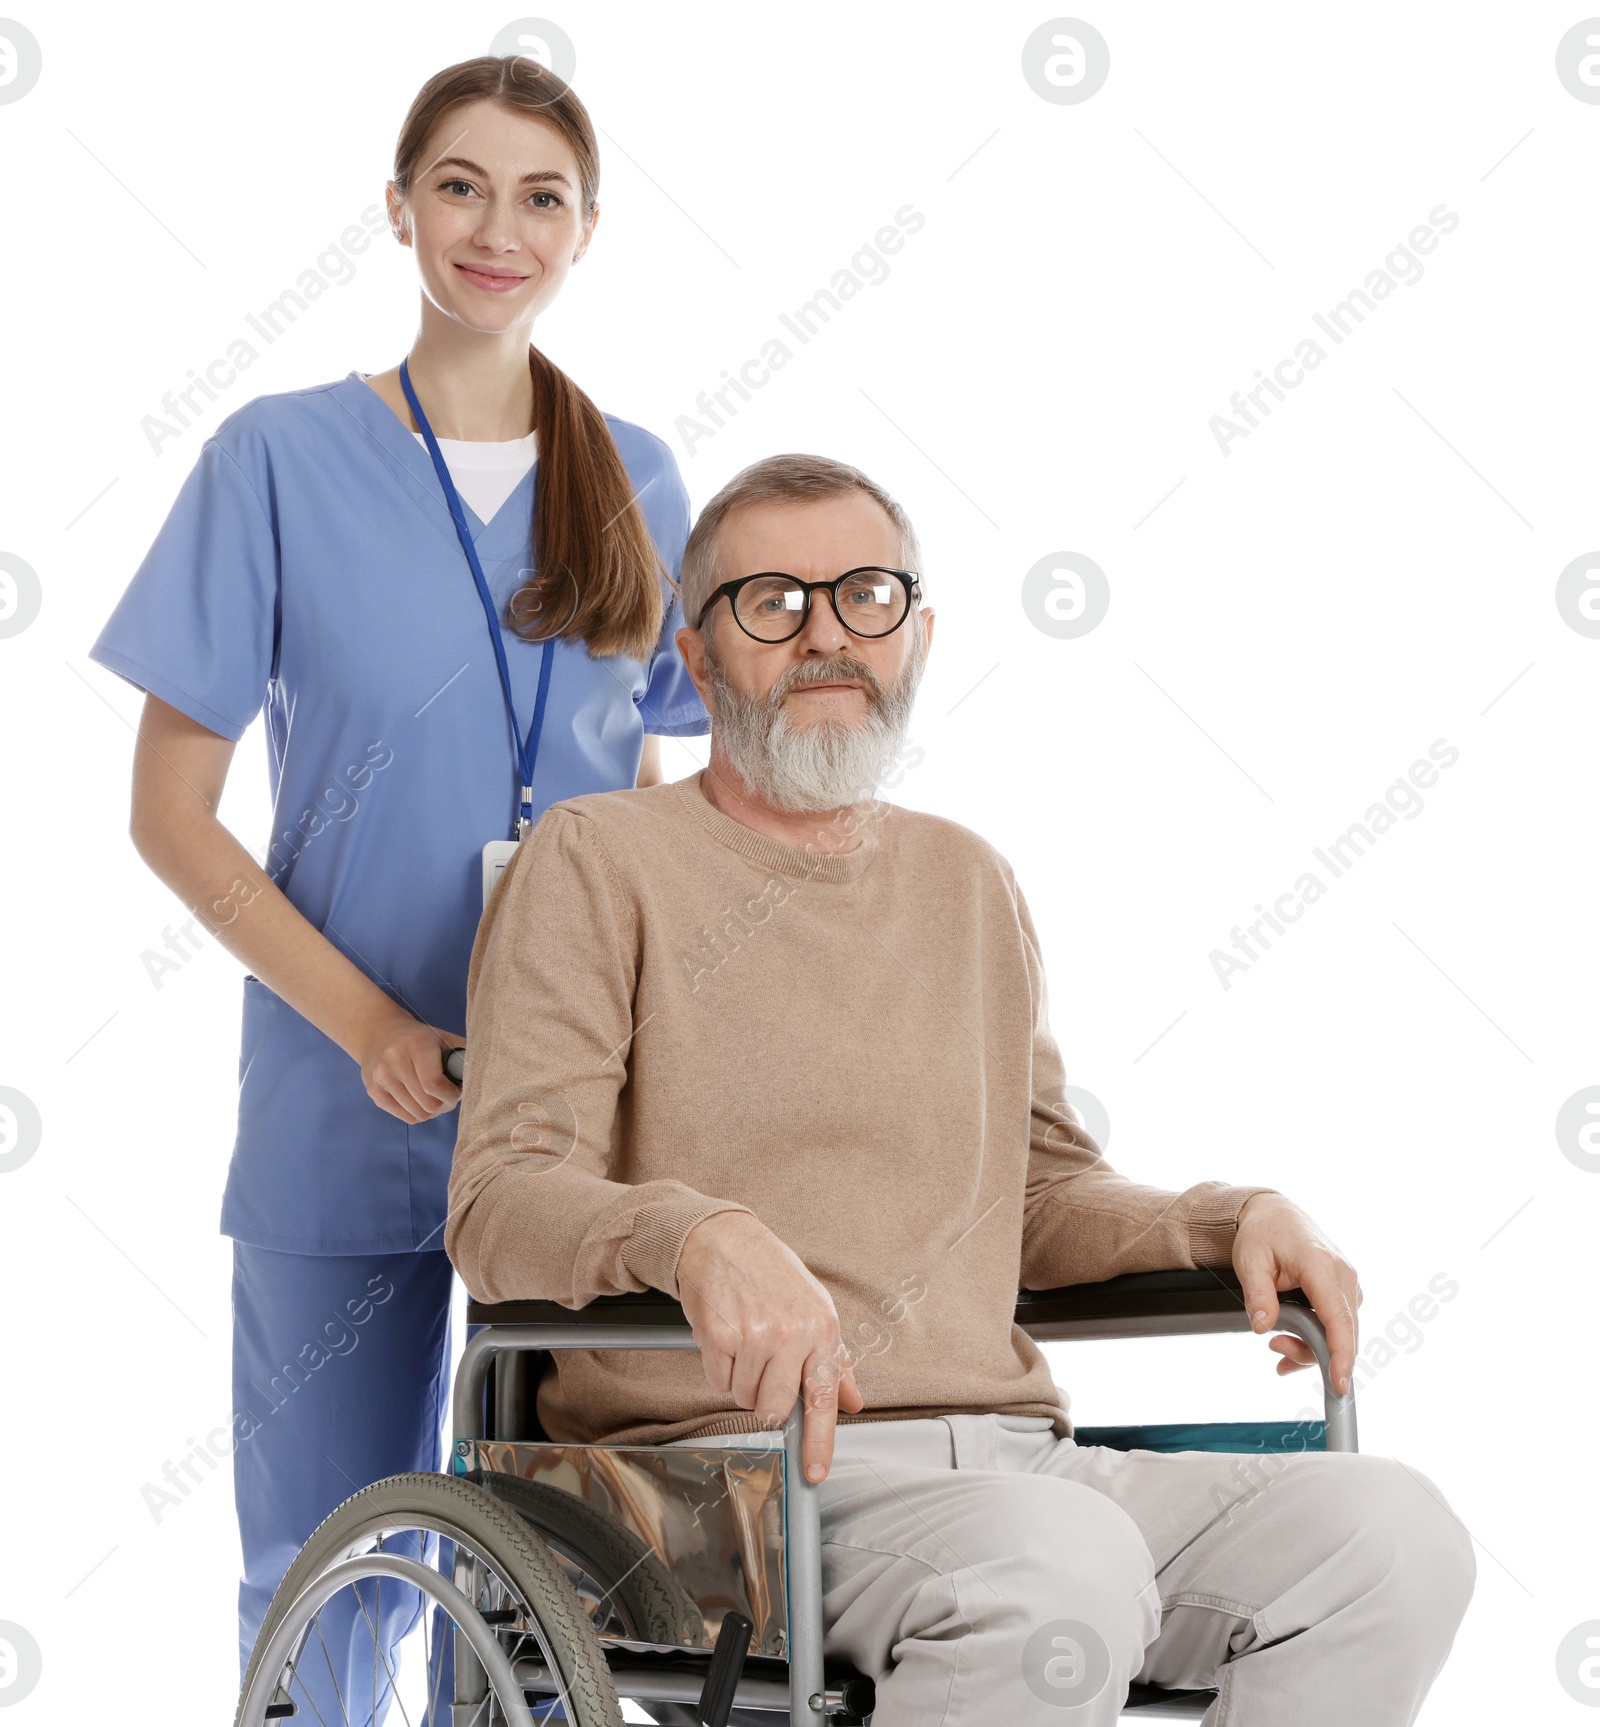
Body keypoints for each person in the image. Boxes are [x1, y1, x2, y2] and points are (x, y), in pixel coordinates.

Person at [446, 453, 1476, 1726]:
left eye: (865, 596)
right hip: (731, 1484)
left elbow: (1039, 1191)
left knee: (1392, 1537)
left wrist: (1224, 1217)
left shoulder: (964, 879)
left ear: (916, 636)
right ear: (698, 654)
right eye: (771, 601)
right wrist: (692, 1231)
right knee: (1055, 1573)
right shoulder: (598, 860)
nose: (827, 635)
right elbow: (500, 1198)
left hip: (1014, 1464)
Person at [87, 54, 709, 1701]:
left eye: (541, 195)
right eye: (461, 184)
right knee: (324, 1568)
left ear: (586, 232)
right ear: (399, 207)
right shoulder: (274, 461)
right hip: (337, 1103)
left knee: (542, 1592)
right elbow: (167, 808)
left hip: (572, 1124)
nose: (496, 227)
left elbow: (655, 796)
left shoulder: (639, 478)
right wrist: (366, 1023)